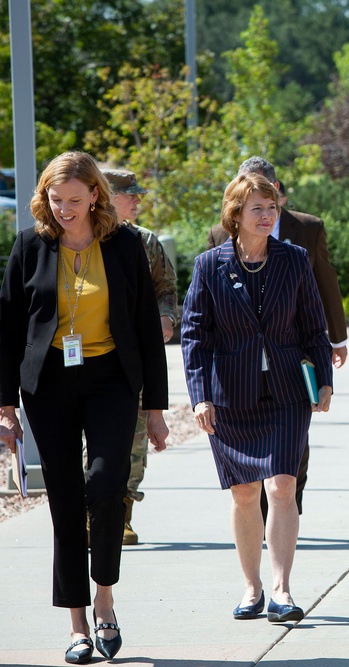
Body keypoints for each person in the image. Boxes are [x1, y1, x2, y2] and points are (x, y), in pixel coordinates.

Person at [0, 151, 169, 664]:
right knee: (66, 500)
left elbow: (145, 330)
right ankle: (77, 621)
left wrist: (156, 408)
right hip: (48, 383)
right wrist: (5, 409)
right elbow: (7, 330)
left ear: (96, 194)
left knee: (105, 486)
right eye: (56, 201)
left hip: (111, 380)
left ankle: (105, 597)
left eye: (75, 200)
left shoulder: (124, 247)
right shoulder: (29, 246)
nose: (65, 210)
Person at [181, 172, 333, 623]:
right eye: (257, 209)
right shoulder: (210, 265)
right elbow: (193, 335)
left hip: (286, 391)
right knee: (245, 492)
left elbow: (313, 324)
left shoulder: (294, 259)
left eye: (272, 207)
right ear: (236, 215)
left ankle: (283, 591)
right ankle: (252, 588)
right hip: (230, 396)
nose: (267, 216)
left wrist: (323, 378)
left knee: (283, 486)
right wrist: (200, 396)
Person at [207, 156, 347, 519]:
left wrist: (337, 339)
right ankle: (268, 515)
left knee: (290, 457)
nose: (263, 212)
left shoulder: (307, 228)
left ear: (277, 191)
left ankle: (288, 508)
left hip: (292, 357)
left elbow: (325, 284)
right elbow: (205, 315)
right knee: (250, 477)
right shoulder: (219, 239)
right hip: (240, 369)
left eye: (268, 201)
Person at [102, 168, 178, 545]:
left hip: (133, 360)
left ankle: (123, 513)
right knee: (89, 440)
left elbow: (167, 287)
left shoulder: (144, 242)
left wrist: (165, 317)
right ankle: (92, 511)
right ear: (105, 195)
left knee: (133, 440)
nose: (137, 200)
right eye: (129, 194)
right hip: (88, 358)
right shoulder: (79, 239)